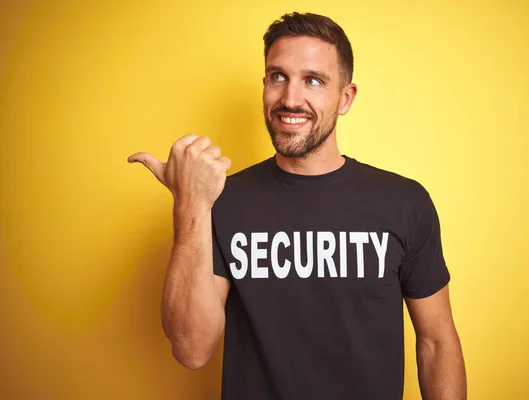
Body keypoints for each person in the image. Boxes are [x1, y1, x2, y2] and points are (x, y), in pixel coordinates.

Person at [128, 11, 467, 400]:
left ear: (345, 97)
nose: (290, 99)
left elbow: (437, 342)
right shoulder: (221, 201)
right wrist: (191, 203)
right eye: (277, 77)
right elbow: (191, 348)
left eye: (313, 80)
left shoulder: (404, 203)